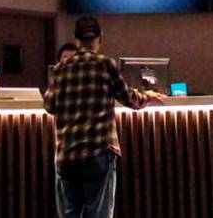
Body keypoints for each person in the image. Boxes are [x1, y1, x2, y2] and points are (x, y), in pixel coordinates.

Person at [44, 16, 164, 218]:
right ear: (100, 38)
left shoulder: (60, 69)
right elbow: (128, 99)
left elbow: (49, 106)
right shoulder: (105, 64)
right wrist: (148, 97)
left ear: (76, 39)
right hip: (97, 151)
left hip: (66, 154)